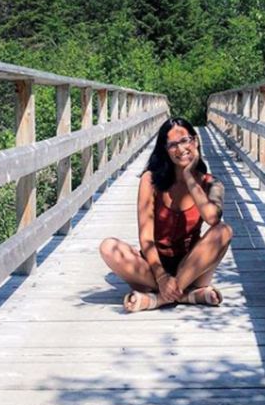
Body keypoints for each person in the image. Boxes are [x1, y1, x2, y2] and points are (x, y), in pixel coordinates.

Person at [99, 117, 233, 312]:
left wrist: (189, 176)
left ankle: (159, 299)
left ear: (195, 141)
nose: (180, 149)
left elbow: (212, 219)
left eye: (185, 140)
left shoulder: (212, 184)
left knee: (224, 230)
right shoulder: (150, 180)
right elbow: (146, 238)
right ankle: (186, 295)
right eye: (172, 145)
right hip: (153, 267)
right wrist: (161, 276)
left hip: (192, 265)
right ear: (165, 150)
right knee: (108, 247)